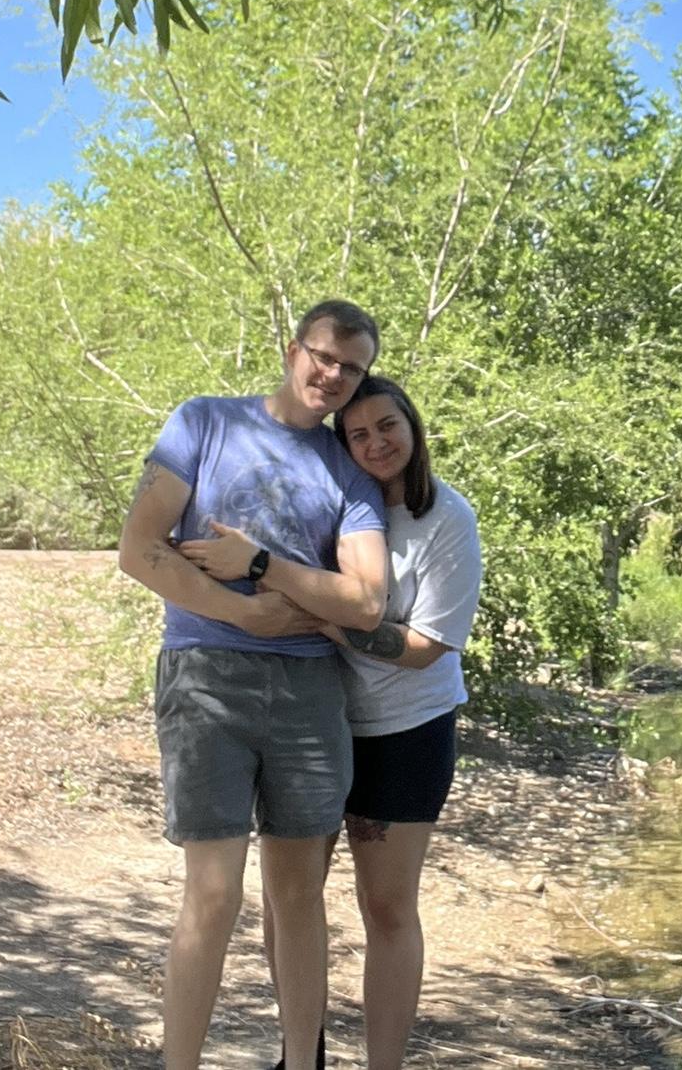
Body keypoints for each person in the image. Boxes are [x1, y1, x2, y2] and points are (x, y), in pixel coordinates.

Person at [118, 299, 388, 1070]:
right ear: (292, 347)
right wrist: (249, 616)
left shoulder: (350, 470)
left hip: (310, 695)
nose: (332, 375)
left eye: (351, 367)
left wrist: (268, 577)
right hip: (206, 679)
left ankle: (302, 1063)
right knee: (212, 895)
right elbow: (141, 549)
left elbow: (367, 600)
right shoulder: (204, 423)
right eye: (323, 355)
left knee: (298, 898)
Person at [268, 373, 484, 1070]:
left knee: (387, 909)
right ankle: (303, 1054)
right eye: (357, 434)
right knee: (286, 904)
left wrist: (340, 630)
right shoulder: (328, 506)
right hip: (312, 718)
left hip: (406, 732)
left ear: (412, 426)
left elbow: (425, 649)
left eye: (386, 425)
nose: (375, 443)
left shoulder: (447, 518)